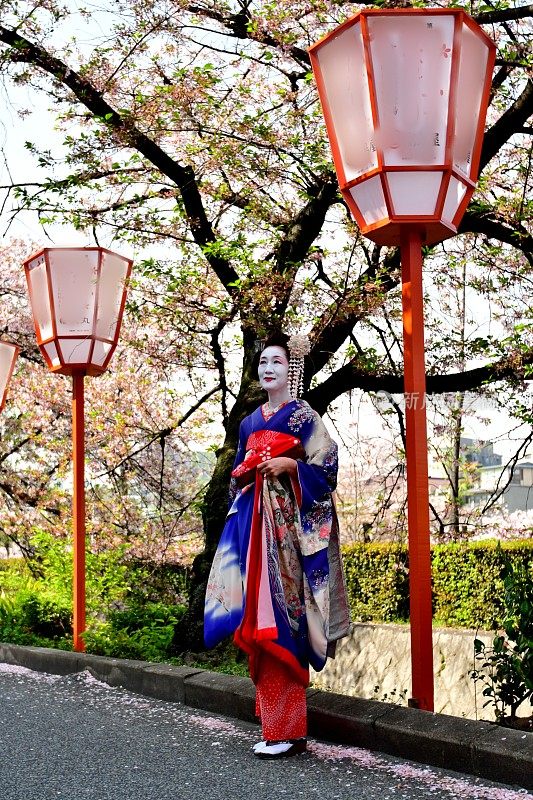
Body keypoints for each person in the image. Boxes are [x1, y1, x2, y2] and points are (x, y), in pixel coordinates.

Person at [204, 334, 350, 760]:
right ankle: (275, 728)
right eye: (262, 362)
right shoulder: (249, 422)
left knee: (285, 615)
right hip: (253, 527)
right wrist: (247, 472)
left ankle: (289, 730)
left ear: (291, 370)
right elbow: (235, 476)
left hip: (288, 529)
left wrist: (291, 465)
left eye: (276, 362)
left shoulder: (303, 415)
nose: (268, 368)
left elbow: (327, 466)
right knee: (256, 613)